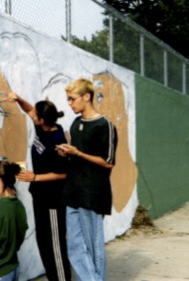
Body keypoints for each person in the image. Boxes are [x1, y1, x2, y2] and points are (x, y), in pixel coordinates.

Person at [56, 78, 117, 281]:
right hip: (73, 192)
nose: (70, 103)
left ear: (86, 96)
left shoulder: (105, 125)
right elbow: (78, 154)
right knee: (74, 247)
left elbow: (108, 162)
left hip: (93, 194)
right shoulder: (75, 123)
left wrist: (79, 153)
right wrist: (68, 153)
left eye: (72, 99)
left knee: (93, 247)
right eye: (68, 100)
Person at [6, 92, 71, 281]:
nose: (32, 116)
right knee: (43, 242)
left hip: (53, 200)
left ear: (43, 120)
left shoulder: (58, 140)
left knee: (55, 245)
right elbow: (29, 109)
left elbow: (63, 173)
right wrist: (18, 99)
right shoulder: (42, 127)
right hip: (40, 197)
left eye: (36, 116)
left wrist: (34, 177)